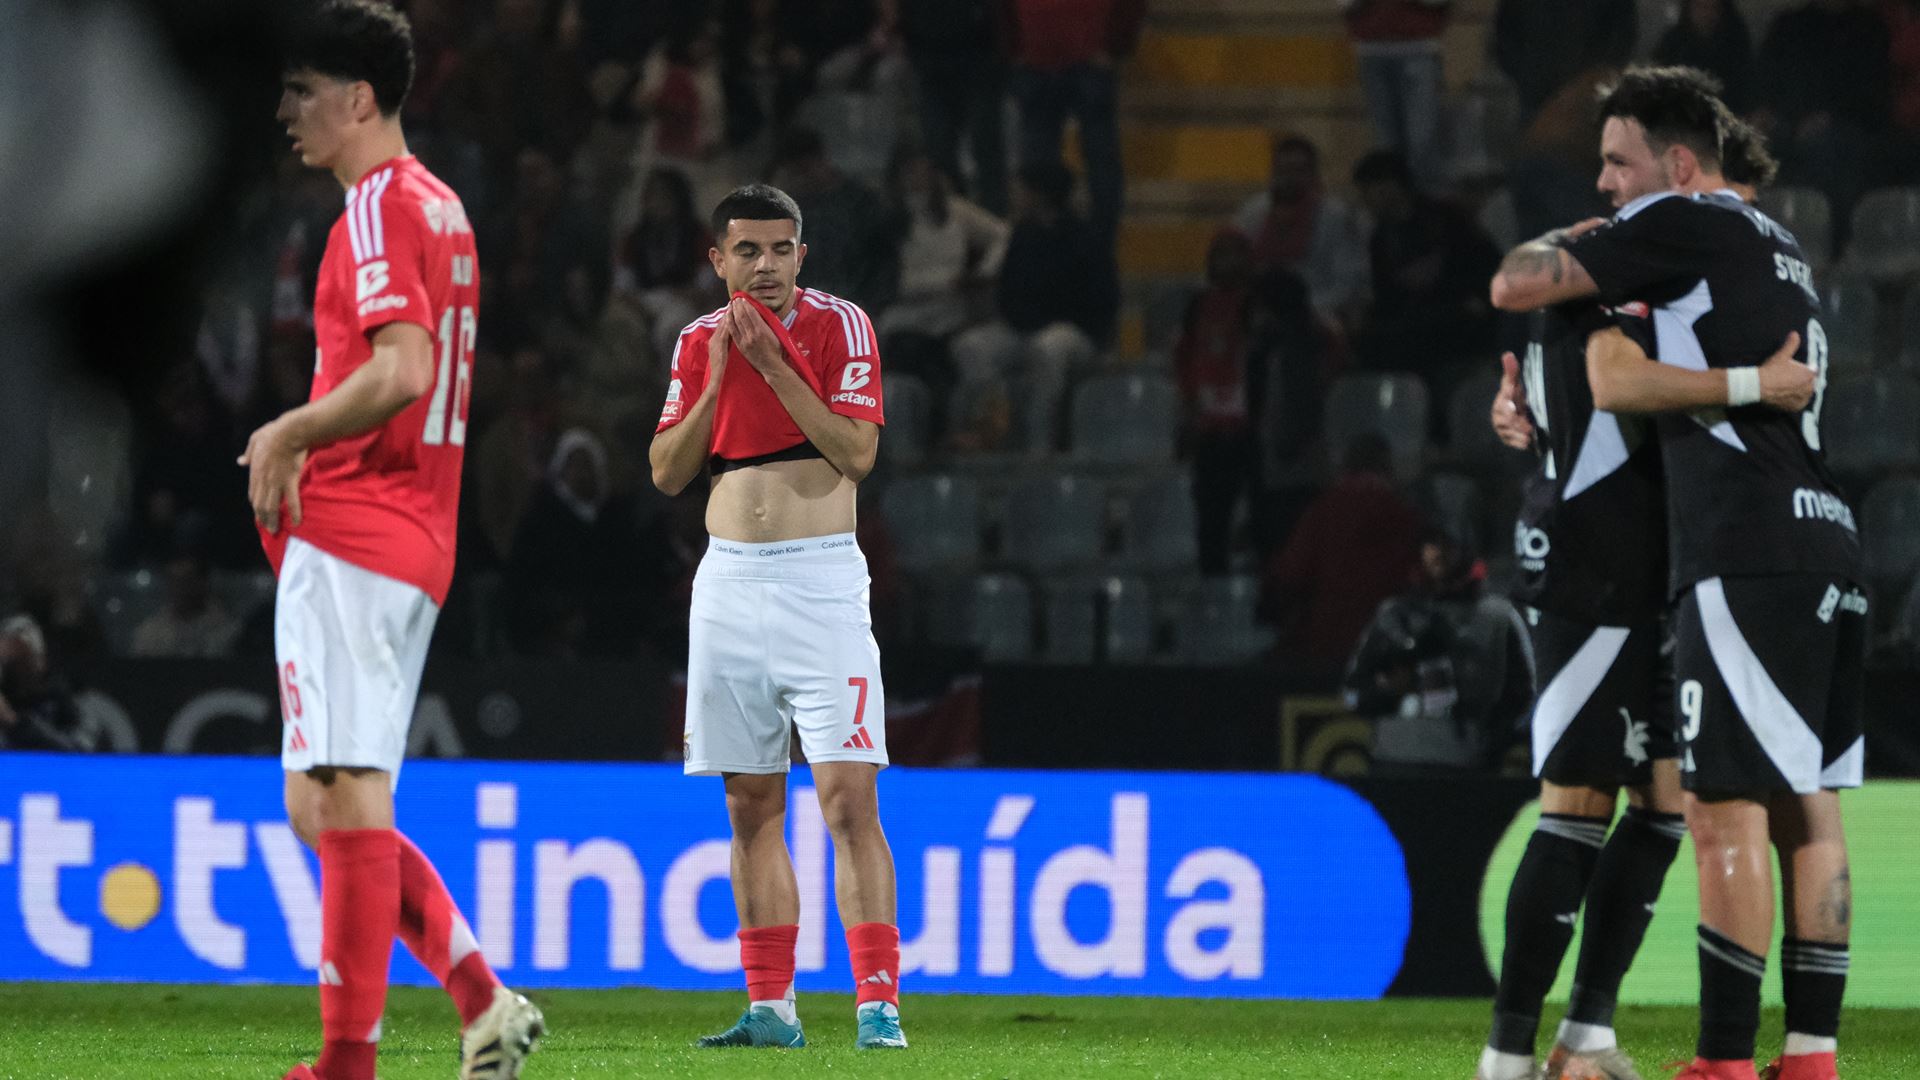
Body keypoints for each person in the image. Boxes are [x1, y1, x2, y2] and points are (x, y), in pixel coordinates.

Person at [1490, 65, 1863, 1080]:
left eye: (1618, 164)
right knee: (1808, 808)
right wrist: (1538, 416)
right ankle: (1809, 1055)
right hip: (1819, 537)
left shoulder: (1687, 225)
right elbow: (1594, 383)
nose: (1606, 184)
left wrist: (1578, 356)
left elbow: (1541, 306)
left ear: (1682, 167)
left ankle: (1718, 1063)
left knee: (1712, 809)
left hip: (1736, 549)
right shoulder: (1778, 248)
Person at [243, 5, 542, 1077]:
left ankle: (346, 1063)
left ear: (359, 99)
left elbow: (403, 367)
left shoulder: (374, 207)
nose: (286, 113)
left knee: (349, 792)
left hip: (361, 527)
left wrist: (290, 428)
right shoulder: (442, 208)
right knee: (315, 803)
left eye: (304, 91)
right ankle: (482, 1002)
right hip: (413, 529)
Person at [648, 184, 906, 1051]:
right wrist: (724, 370)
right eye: (746, 250)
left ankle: (876, 1007)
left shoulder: (841, 327)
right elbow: (666, 471)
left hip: (820, 583)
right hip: (726, 585)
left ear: (804, 255)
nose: (765, 265)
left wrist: (774, 366)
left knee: (846, 800)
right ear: (717, 260)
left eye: (780, 248)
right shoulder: (695, 343)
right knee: (751, 803)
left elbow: (857, 453)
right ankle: (771, 1009)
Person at [1342, 528, 1534, 773]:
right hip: (1395, 762)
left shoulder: (1496, 616)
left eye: (1448, 544)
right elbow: (1352, 693)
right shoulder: (1393, 615)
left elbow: (1526, 695)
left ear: (1465, 551)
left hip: (1465, 766)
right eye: (1431, 543)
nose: (1438, 553)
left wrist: (1491, 739)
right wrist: (1389, 689)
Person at [1259, 433, 1424, 672]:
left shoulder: (1324, 512)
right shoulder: (1406, 516)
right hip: (1390, 653)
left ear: (1346, 467)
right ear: (1388, 469)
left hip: (1326, 649)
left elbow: (1289, 576)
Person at [1230, 134, 1371, 331]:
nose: (1289, 177)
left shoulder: (1337, 216)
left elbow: (1348, 282)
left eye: (1298, 171)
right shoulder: (1253, 213)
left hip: (1319, 314)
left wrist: (1307, 311)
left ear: (1313, 174)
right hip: (1260, 315)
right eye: (1282, 170)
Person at [1341, 0, 1452, 192]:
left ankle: (1426, 206)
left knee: (1422, 141)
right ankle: (1395, 209)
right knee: (1386, 145)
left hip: (1419, 45)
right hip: (1372, 48)